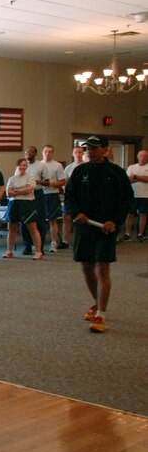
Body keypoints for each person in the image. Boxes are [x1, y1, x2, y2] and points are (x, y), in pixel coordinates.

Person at [64, 136, 134, 333]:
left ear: (105, 149)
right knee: (86, 267)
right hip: (85, 226)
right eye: (88, 148)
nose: (90, 151)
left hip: (106, 227)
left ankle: (101, 314)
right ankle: (97, 303)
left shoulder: (116, 173)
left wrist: (115, 221)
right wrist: (77, 213)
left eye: (94, 148)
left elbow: (126, 201)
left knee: (101, 268)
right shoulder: (80, 171)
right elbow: (70, 196)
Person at [4, 158, 43, 260]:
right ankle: (9, 251)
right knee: (12, 228)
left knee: (32, 228)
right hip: (14, 204)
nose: (22, 167)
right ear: (17, 166)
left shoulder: (30, 177)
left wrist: (16, 190)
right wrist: (22, 190)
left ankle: (38, 252)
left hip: (27, 204)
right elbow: (9, 193)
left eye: (24, 165)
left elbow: (30, 189)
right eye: (20, 165)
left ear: (26, 167)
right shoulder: (11, 179)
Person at [40, 144, 67, 252]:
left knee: (52, 220)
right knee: (38, 220)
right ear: (42, 152)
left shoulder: (57, 165)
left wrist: (50, 184)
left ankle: (54, 243)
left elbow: (62, 181)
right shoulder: (38, 165)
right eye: (46, 151)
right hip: (40, 195)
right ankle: (38, 243)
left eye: (50, 151)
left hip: (52, 194)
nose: (48, 153)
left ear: (53, 153)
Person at [21, 145, 48, 255]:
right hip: (25, 195)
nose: (28, 155)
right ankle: (27, 246)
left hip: (37, 194)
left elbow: (47, 182)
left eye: (31, 153)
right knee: (24, 221)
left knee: (40, 220)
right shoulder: (22, 165)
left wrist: (38, 182)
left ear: (35, 154)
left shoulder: (41, 165)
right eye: (27, 153)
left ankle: (40, 247)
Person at [62, 146, 86, 248]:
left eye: (80, 152)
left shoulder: (86, 166)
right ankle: (65, 241)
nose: (78, 154)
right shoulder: (69, 168)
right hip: (71, 197)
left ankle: (80, 241)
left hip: (83, 197)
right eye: (76, 152)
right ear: (73, 154)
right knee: (67, 218)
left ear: (83, 154)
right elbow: (64, 182)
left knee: (82, 219)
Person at [124, 149, 148, 242]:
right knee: (130, 214)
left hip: (145, 195)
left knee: (143, 214)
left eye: (145, 156)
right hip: (133, 195)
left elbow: (147, 179)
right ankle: (127, 234)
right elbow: (128, 180)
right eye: (141, 155)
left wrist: (136, 177)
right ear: (137, 157)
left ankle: (140, 234)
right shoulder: (131, 167)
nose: (143, 157)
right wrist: (141, 178)